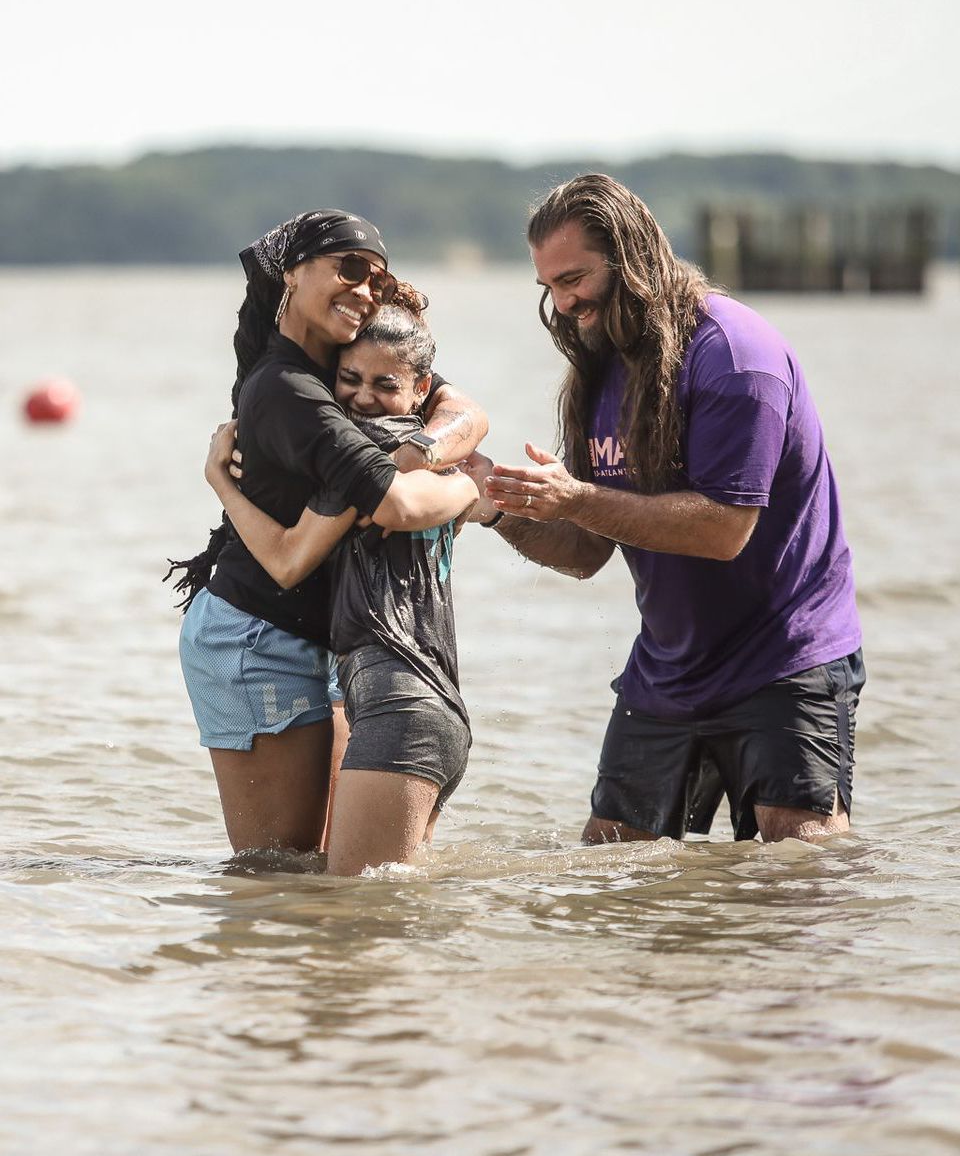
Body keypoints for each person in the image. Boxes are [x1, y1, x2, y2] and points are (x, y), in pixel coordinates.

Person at [468, 174, 864, 845]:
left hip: (785, 660)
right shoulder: (600, 370)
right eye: (549, 287)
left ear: (631, 259)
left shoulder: (735, 358)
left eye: (574, 279)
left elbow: (723, 528)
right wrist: (498, 507)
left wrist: (577, 498)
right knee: (610, 865)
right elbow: (586, 551)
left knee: (798, 874)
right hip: (669, 670)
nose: (562, 304)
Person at [169, 210, 486, 857]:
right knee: (274, 869)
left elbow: (466, 411)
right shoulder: (289, 389)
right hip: (257, 633)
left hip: (323, 635)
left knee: (325, 873)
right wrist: (470, 489)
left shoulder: (347, 360)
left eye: (376, 279)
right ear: (293, 273)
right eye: (349, 269)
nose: (364, 290)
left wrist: (420, 448)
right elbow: (397, 505)